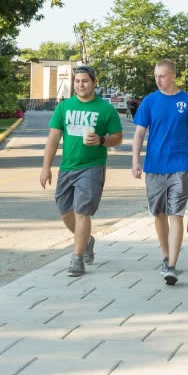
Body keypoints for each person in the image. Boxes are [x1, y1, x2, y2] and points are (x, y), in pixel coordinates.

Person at [132, 59, 188, 285]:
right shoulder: (149, 102)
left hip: (180, 167)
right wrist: (135, 161)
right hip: (154, 167)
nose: (158, 80)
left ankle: (172, 266)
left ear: (173, 76)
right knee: (159, 214)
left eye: (162, 76)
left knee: (176, 214)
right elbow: (138, 134)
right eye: (156, 76)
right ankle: (166, 256)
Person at [40, 65, 123, 277]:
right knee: (64, 211)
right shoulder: (64, 107)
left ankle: (77, 259)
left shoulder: (105, 110)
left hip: (92, 167)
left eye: (85, 81)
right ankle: (86, 239)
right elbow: (53, 139)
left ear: (94, 82)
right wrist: (46, 168)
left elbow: (118, 137)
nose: (80, 85)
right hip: (67, 167)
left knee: (82, 211)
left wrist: (102, 140)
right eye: (77, 81)